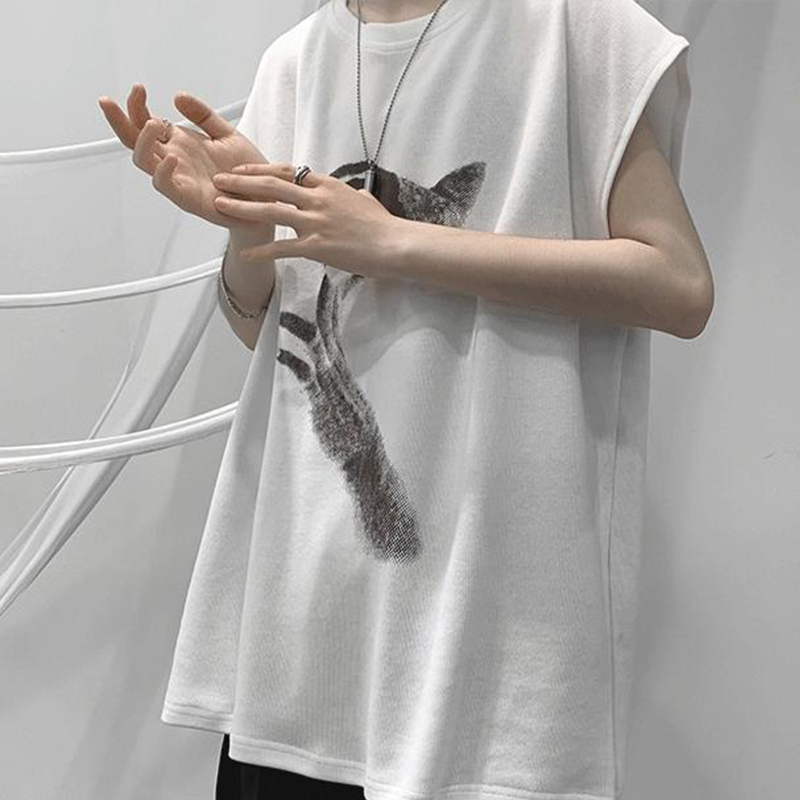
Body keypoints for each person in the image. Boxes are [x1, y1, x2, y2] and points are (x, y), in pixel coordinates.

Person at [99, 1, 713, 799]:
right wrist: (245, 226)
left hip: (490, 658)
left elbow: (679, 285)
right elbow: (264, 333)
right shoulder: (294, 62)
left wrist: (397, 241)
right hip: (296, 652)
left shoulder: (575, 27)